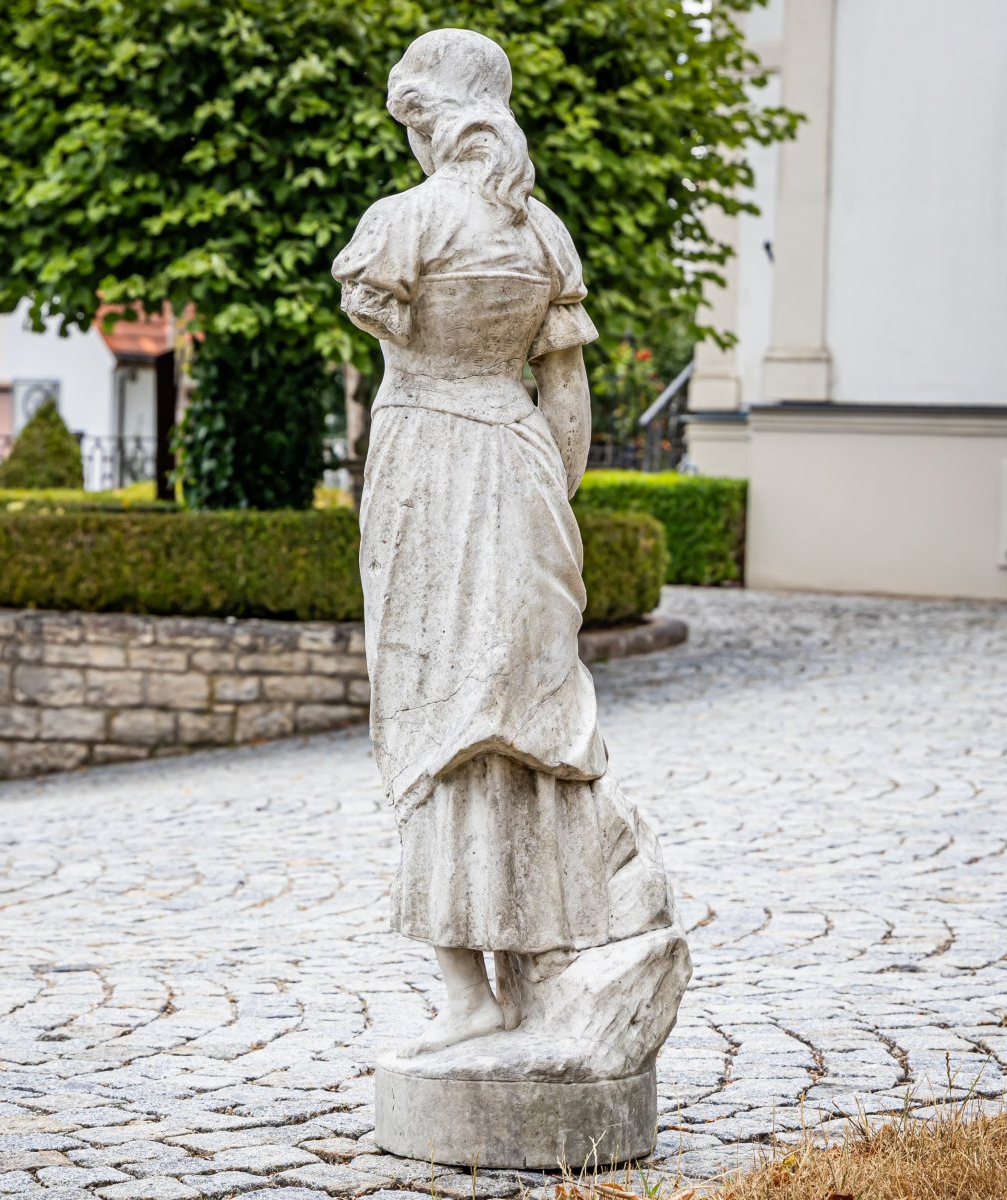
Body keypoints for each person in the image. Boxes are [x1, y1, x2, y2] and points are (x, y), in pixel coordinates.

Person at [333, 28, 677, 1057]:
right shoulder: (545, 235)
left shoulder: (404, 224)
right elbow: (565, 398)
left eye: (410, 119)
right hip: (520, 466)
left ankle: (469, 992)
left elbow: (396, 351)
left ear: (426, 113)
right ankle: (531, 963)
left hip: (427, 466)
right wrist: (545, 503)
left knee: (437, 709)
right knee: (521, 712)